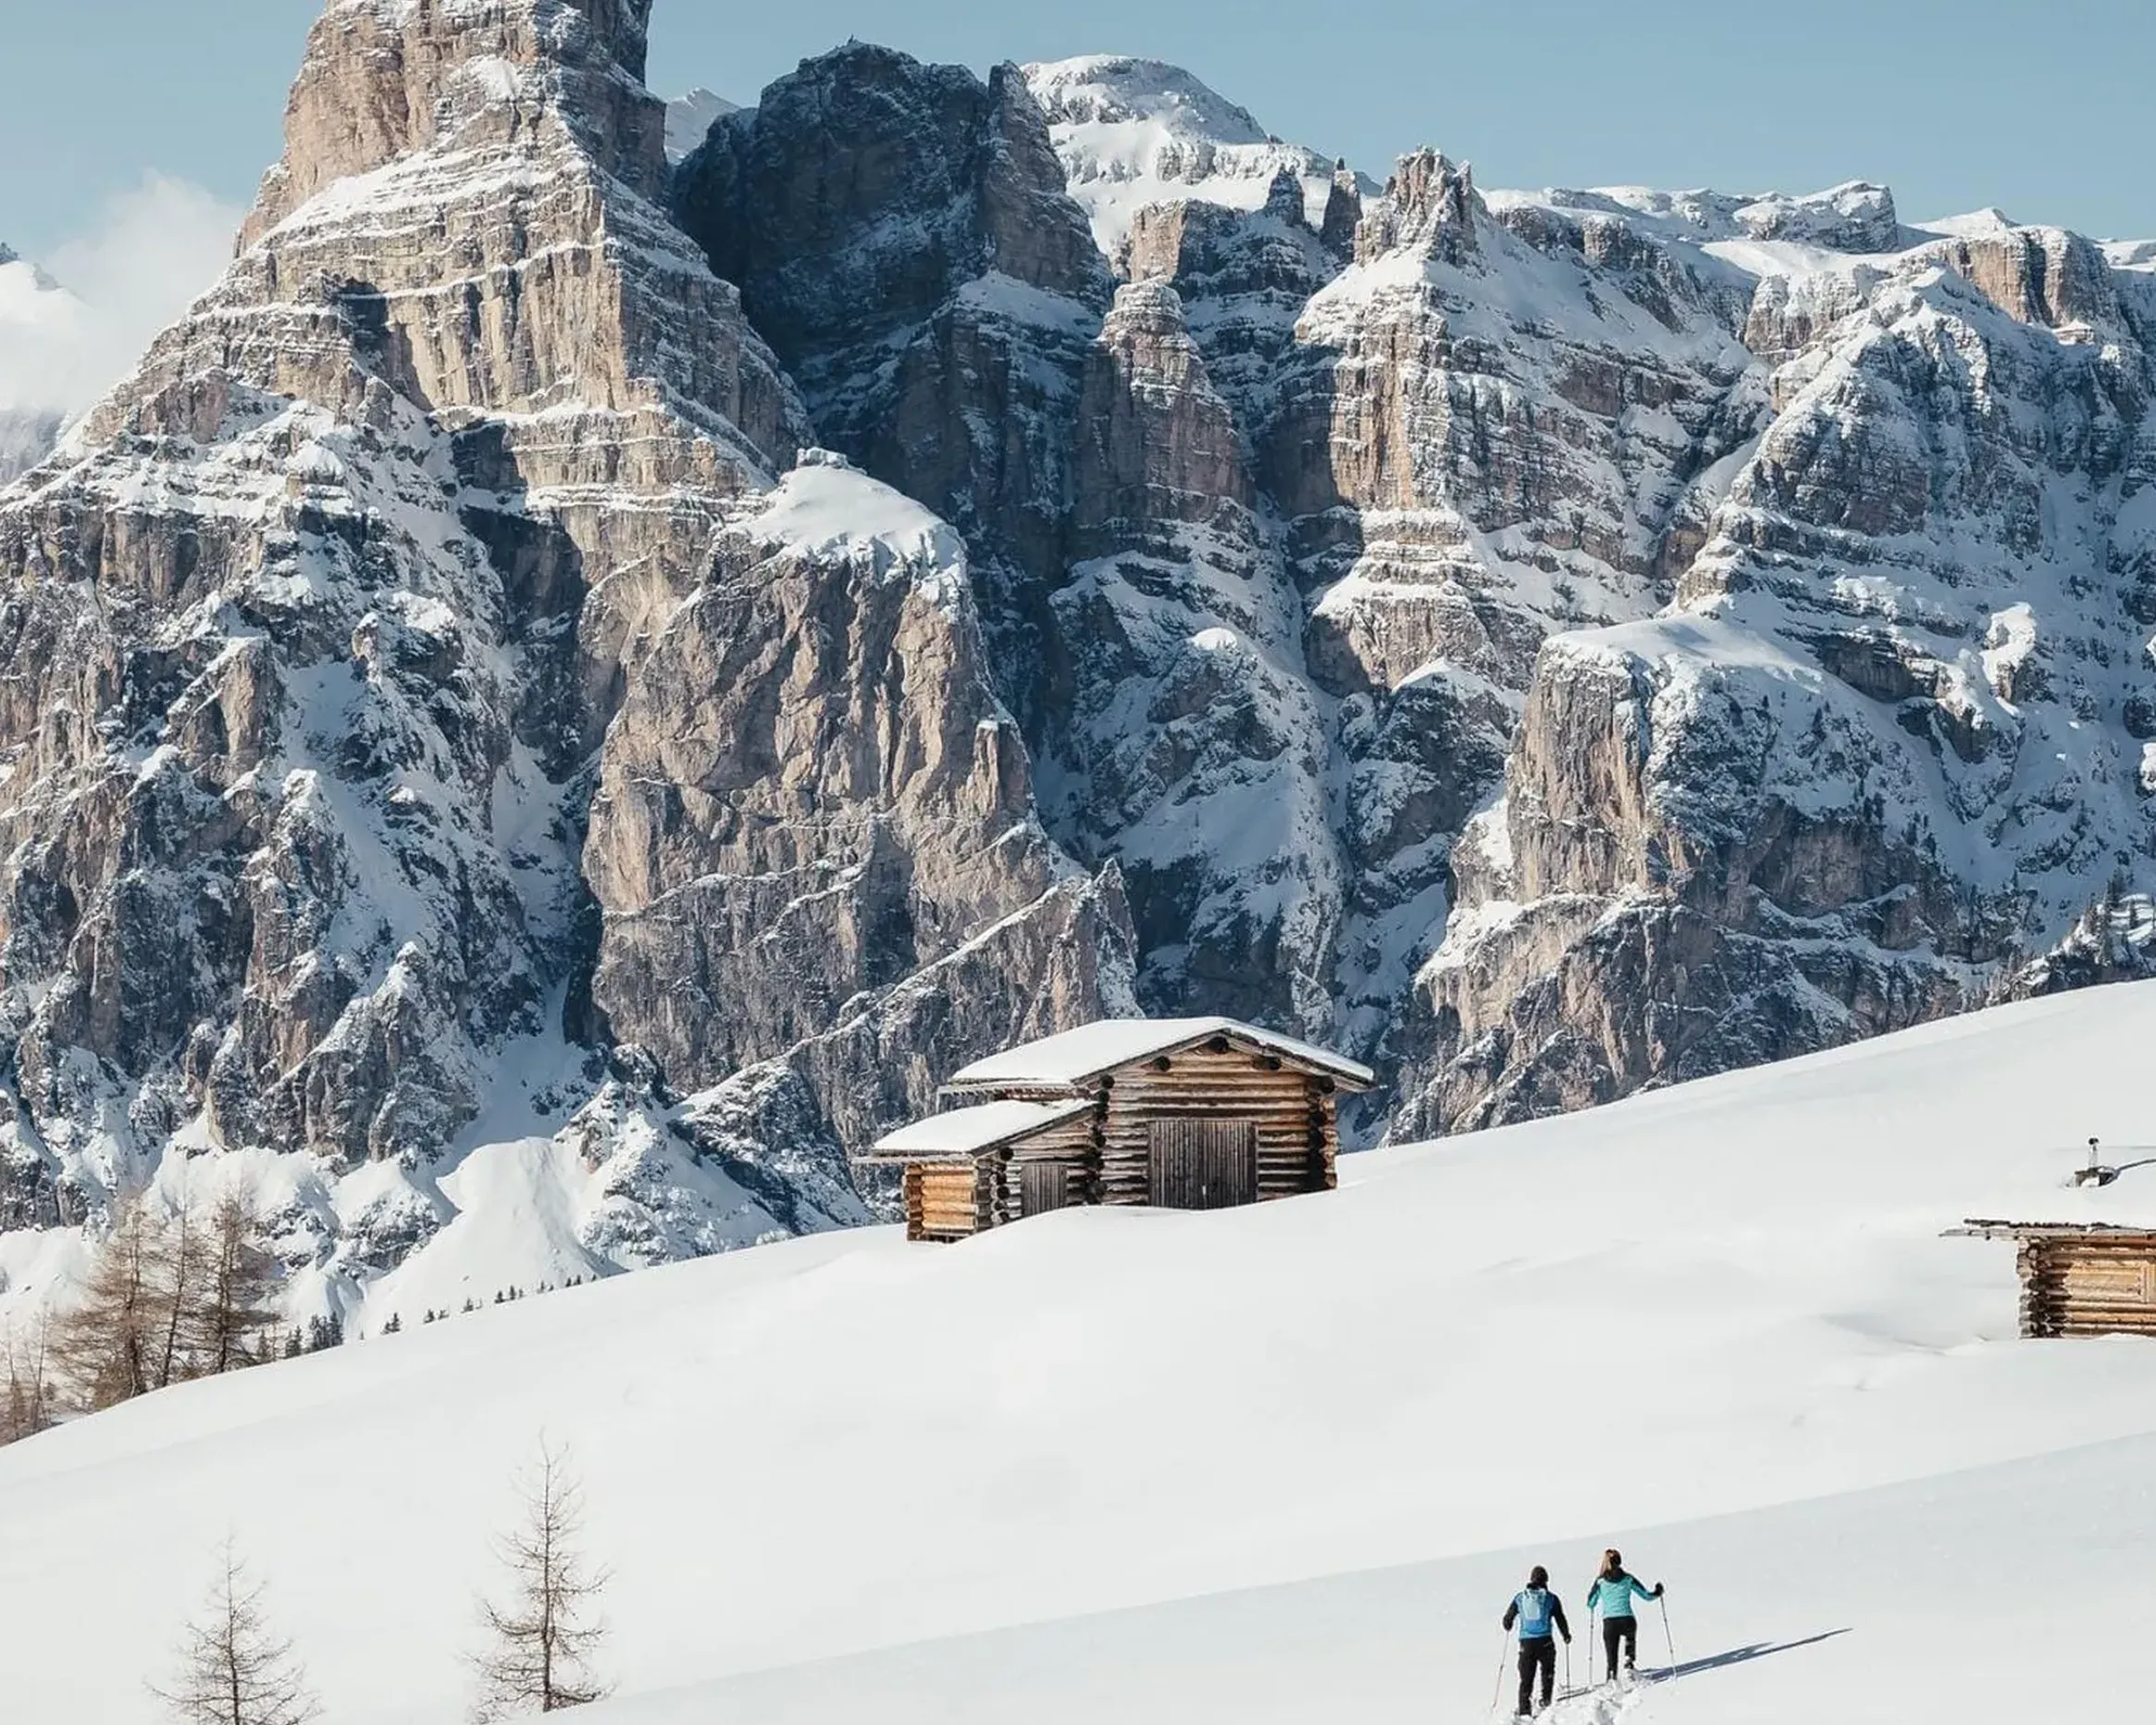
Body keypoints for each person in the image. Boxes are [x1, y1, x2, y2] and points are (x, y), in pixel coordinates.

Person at [1501, 1564, 1572, 1718]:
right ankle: (1546, 1701)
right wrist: (1566, 1635)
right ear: (1546, 1580)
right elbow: (1560, 1618)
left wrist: (1508, 1624)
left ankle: (1524, 1710)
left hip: (1526, 1643)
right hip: (1545, 1641)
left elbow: (1507, 1618)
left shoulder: (1520, 1598)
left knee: (1526, 1678)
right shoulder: (1551, 1598)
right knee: (1547, 1672)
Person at [1585, 1548, 1664, 1681]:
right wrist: (1658, 1591)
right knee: (1630, 1639)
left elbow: (1590, 1603)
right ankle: (1629, 1661)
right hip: (1627, 1620)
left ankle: (1612, 1680)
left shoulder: (1601, 1581)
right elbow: (1646, 1596)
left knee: (1611, 1657)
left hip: (1610, 1623)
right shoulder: (1628, 1578)